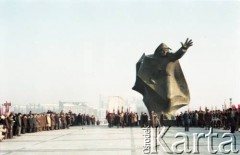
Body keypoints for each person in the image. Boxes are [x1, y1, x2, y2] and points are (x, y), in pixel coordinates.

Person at [133, 38, 193, 120]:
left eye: (166, 50)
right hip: (157, 81)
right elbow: (147, 70)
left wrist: (183, 49)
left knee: (169, 97)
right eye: (162, 50)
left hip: (168, 81)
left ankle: (168, 112)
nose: (164, 52)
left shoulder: (170, 57)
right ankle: (160, 113)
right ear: (158, 51)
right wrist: (150, 79)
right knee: (155, 97)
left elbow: (177, 55)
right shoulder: (153, 59)